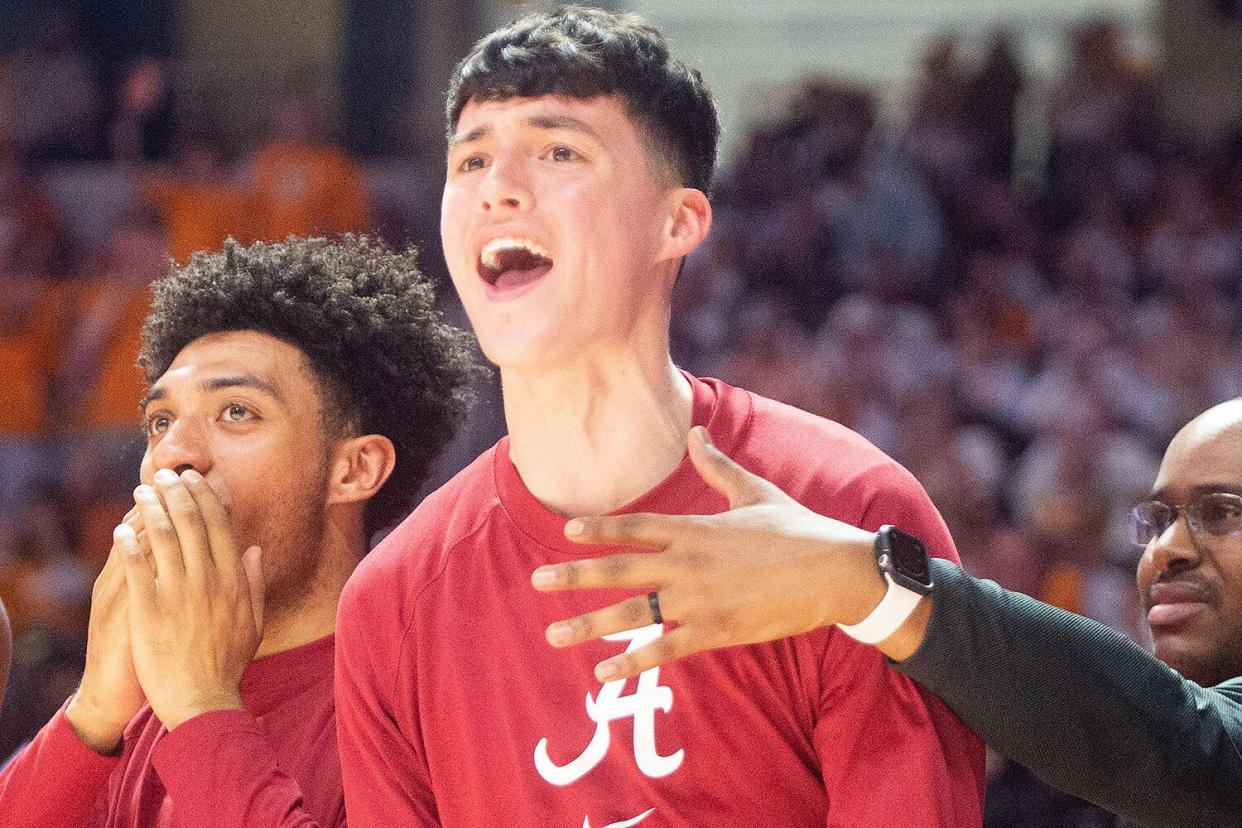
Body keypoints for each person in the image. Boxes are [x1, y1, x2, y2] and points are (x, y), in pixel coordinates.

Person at [335, 8, 984, 827]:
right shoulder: (392, 603)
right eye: (470, 159)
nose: (496, 186)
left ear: (678, 222)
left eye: (558, 150)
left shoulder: (846, 517)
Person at [534, 402, 1242, 827]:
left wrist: (864, 584)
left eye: (1220, 513)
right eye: (1158, 518)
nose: (1168, 549)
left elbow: (1182, 745)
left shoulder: (1181, 753)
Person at [0, 235, 475, 827]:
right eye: (160, 420)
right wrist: (93, 711)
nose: (172, 453)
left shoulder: (427, 697)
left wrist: (202, 711)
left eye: (236, 413)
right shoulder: (125, 713)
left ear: (354, 469)